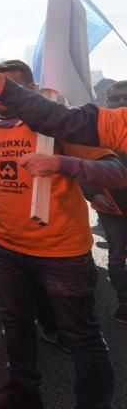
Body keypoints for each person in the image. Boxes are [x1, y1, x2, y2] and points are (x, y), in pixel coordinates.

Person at [0, 60, 127, 409]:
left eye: (10, 87)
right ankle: (23, 389)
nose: (0, 95)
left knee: (82, 336)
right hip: (5, 248)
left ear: (31, 89)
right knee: (16, 323)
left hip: (61, 252)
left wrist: (62, 164)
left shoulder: (57, 125)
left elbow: (117, 172)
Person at [94, 79, 127, 325]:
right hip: (112, 208)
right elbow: (80, 163)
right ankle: (124, 302)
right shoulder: (93, 129)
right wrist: (92, 192)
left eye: (126, 97)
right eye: (116, 98)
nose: (121, 102)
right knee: (117, 258)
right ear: (107, 100)